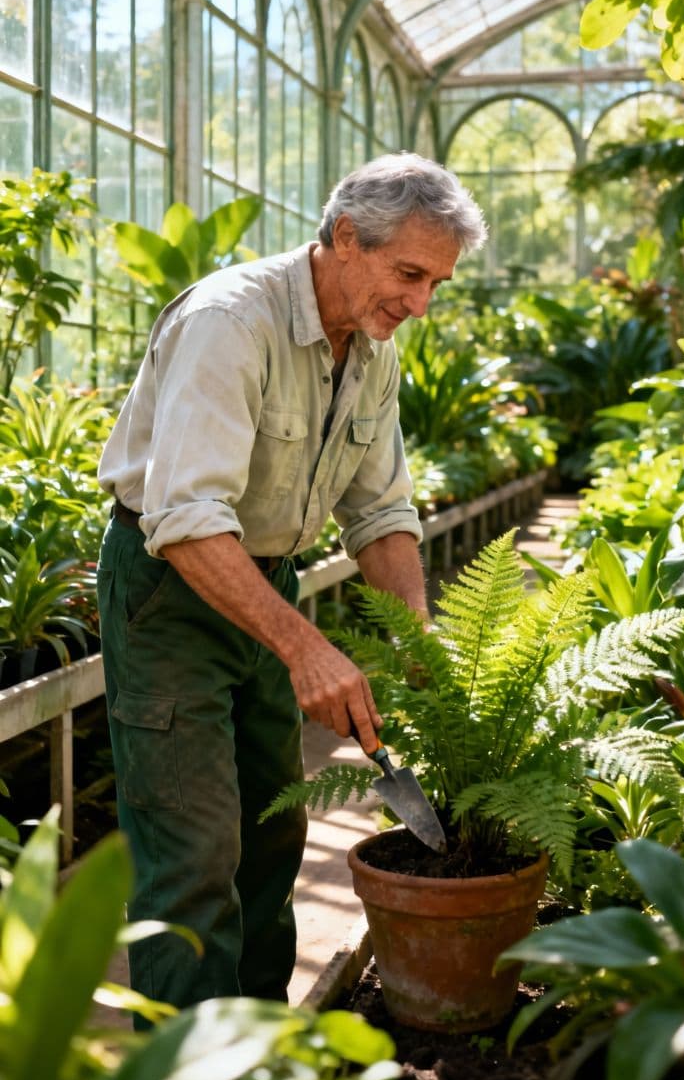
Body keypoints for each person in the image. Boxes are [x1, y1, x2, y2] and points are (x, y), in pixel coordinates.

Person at [97, 151, 486, 1018]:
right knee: (193, 857)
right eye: (410, 274)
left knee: (274, 834)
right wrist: (308, 648)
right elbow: (188, 520)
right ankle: (187, 1068)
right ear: (346, 237)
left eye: (437, 284)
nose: (420, 303)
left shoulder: (371, 348)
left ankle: (264, 1044)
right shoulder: (231, 322)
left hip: (263, 579)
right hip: (170, 590)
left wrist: (418, 640)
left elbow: (381, 511)